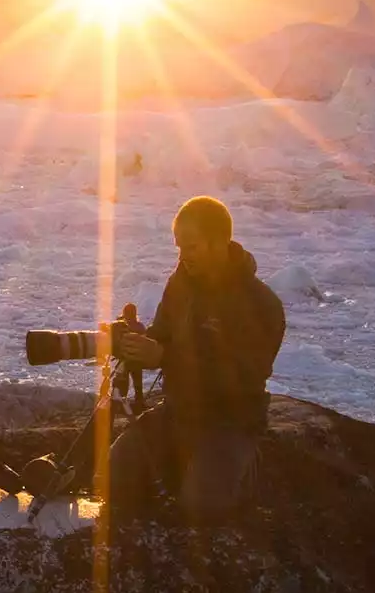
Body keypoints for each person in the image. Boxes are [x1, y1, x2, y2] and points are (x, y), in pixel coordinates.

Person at [109, 196, 286, 520]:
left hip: (231, 420)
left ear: (219, 243)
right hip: (179, 411)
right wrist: (137, 344)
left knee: (202, 508)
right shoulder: (181, 283)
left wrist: (165, 356)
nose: (182, 256)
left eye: (191, 247)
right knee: (115, 476)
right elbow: (162, 335)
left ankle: (248, 466)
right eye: (178, 247)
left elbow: (245, 374)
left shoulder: (261, 304)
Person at [112, 302, 147, 416]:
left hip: (126, 361)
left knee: (124, 384)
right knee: (137, 384)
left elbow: (115, 343)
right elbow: (146, 342)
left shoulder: (120, 326)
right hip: (135, 360)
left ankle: (122, 406)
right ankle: (139, 403)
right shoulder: (139, 326)